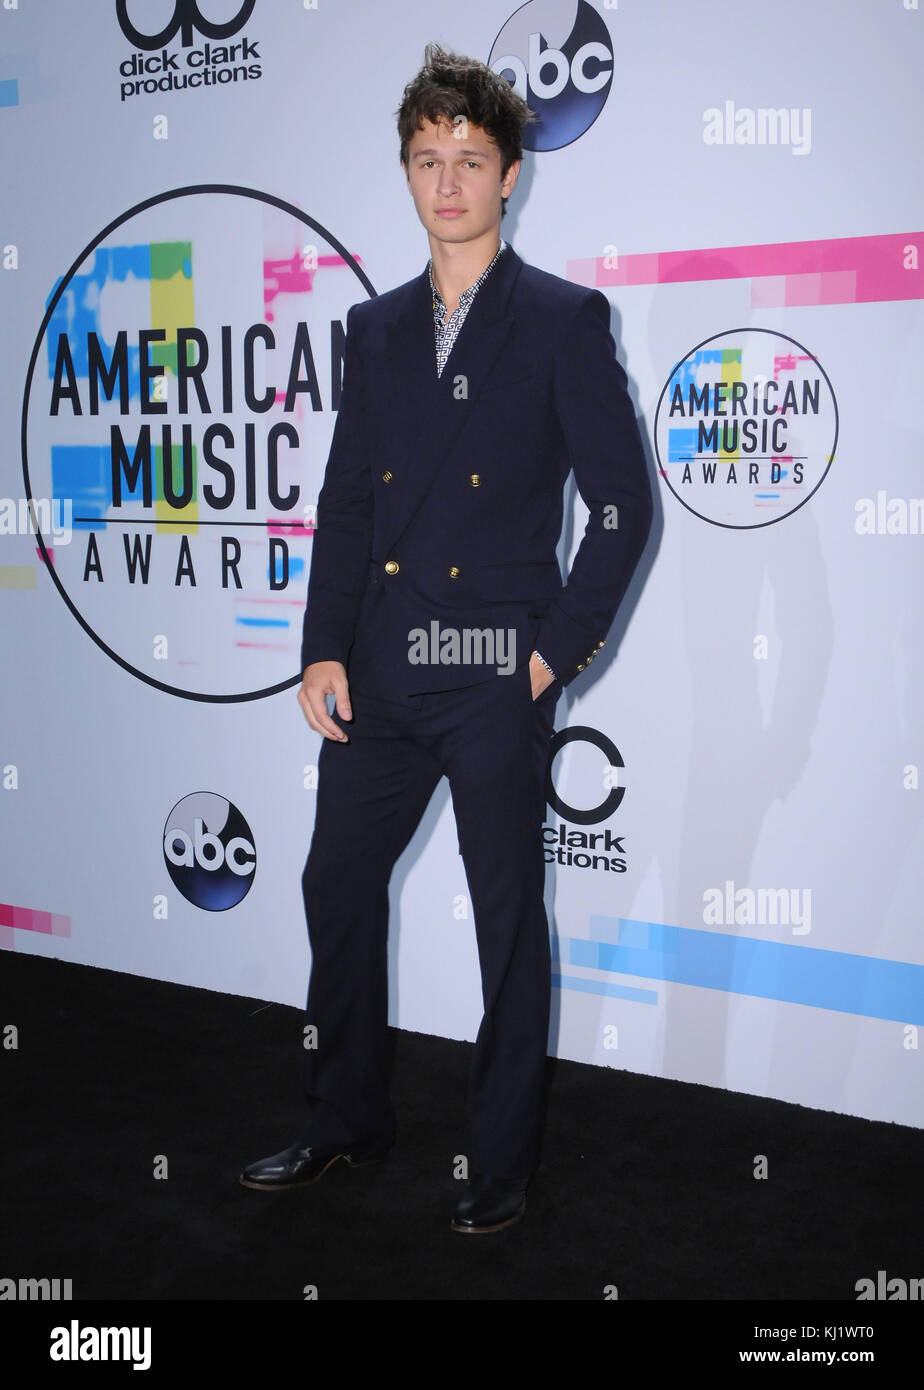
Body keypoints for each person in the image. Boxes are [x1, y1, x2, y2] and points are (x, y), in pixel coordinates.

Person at [240, 42, 653, 1233]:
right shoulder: (371, 331)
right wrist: (322, 648)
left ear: (511, 173)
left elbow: (622, 509)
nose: (448, 181)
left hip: (491, 674)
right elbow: (348, 502)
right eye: (427, 159)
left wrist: (549, 654)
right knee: (333, 881)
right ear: (408, 171)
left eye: (470, 159)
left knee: (505, 913)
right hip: (378, 669)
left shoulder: (566, 321)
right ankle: (344, 1118)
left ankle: (503, 1155)